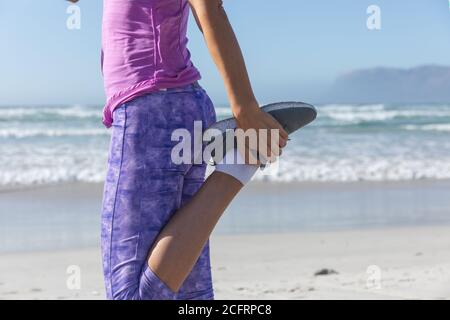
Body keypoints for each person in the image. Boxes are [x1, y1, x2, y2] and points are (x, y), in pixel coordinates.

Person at [68, 0, 287, 300]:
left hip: (150, 111)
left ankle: (240, 162)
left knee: (128, 294)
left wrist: (245, 109)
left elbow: (210, 10)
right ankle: (239, 162)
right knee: (186, 293)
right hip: (178, 111)